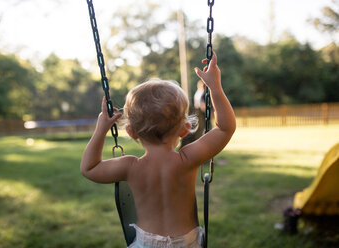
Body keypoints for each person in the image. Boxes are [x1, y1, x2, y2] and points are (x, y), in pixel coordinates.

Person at [80, 51, 236, 248]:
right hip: (186, 243)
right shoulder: (188, 159)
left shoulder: (130, 167)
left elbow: (89, 169)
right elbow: (225, 128)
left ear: (131, 131)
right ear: (185, 128)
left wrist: (101, 128)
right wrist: (214, 87)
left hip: (146, 243)